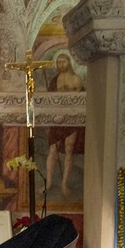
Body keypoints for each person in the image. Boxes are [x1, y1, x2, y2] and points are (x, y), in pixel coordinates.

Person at [44, 53, 85, 197]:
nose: (61, 64)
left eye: (63, 61)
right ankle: (48, 183)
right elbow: (50, 99)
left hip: (71, 119)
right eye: (59, 62)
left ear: (69, 63)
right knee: (52, 150)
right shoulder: (54, 80)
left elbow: (79, 97)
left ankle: (64, 183)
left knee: (69, 150)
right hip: (56, 119)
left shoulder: (76, 79)